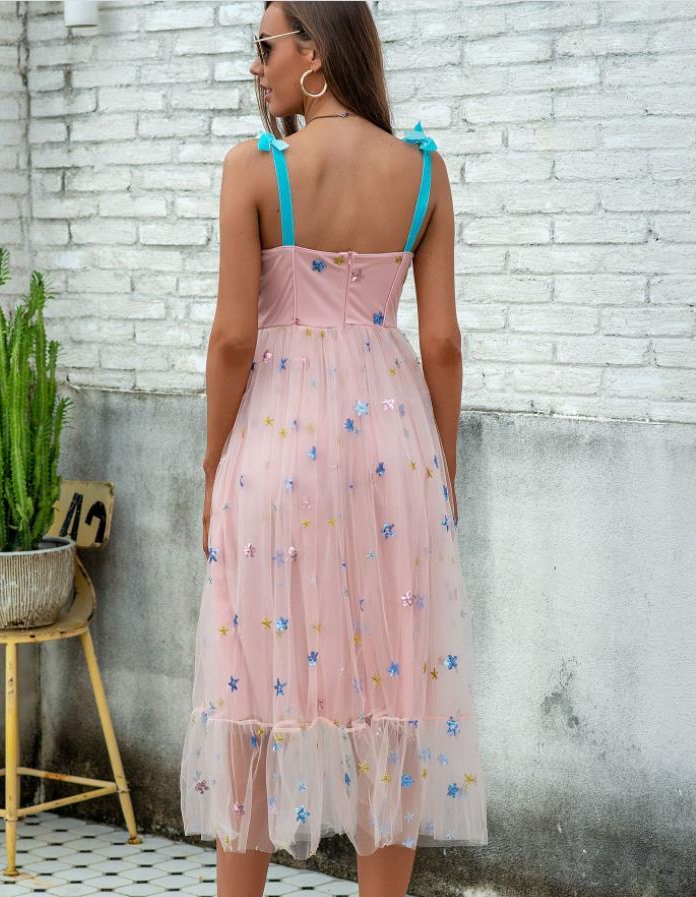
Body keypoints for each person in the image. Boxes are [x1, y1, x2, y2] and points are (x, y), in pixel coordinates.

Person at [179, 3, 489, 895]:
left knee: (252, 688)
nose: (256, 66)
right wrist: (442, 470)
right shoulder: (423, 170)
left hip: (276, 449)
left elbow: (232, 339)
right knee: (393, 692)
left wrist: (213, 464)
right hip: (396, 451)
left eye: (264, 47)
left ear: (313, 52)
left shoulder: (256, 168)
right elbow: (442, 345)